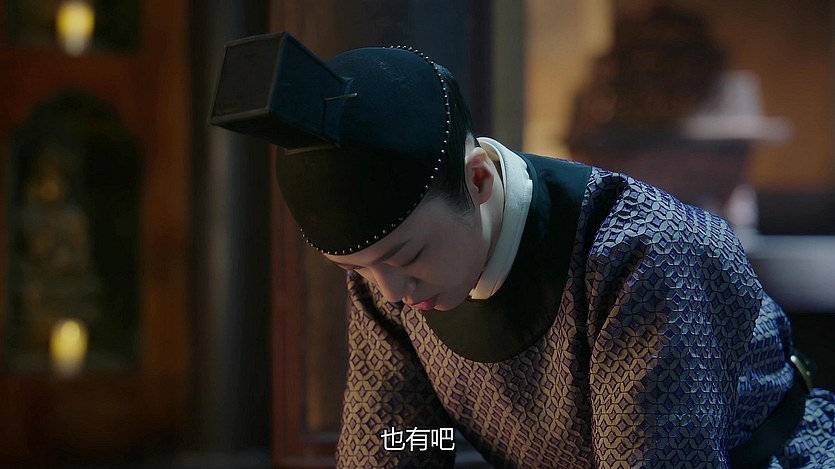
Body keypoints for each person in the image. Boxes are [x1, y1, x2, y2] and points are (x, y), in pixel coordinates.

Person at [210, 32, 835, 468]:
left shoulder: (639, 256)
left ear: (479, 179)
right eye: (357, 269)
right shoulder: (386, 277)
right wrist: (436, 442)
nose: (391, 293)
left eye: (406, 256)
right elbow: (402, 440)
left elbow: (650, 456)